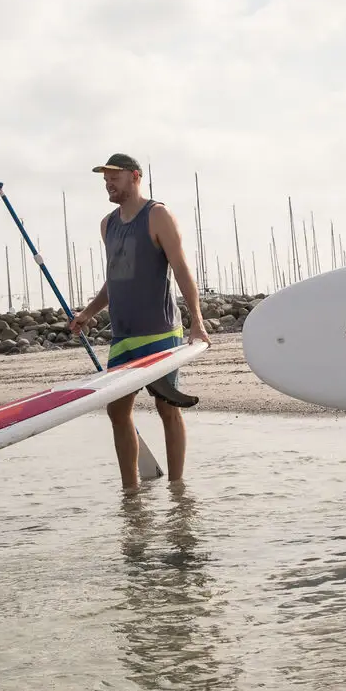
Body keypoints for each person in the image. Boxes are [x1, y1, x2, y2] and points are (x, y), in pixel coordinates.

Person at [68, 153, 212, 487]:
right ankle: (130, 493)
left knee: (167, 408)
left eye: (114, 176)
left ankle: (177, 488)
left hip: (159, 333)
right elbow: (115, 278)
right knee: (117, 412)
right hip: (124, 336)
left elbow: (180, 269)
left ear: (135, 176)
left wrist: (197, 319)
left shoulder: (157, 215)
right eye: (105, 177)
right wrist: (88, 314)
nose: (108, 183)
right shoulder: (108, 224)